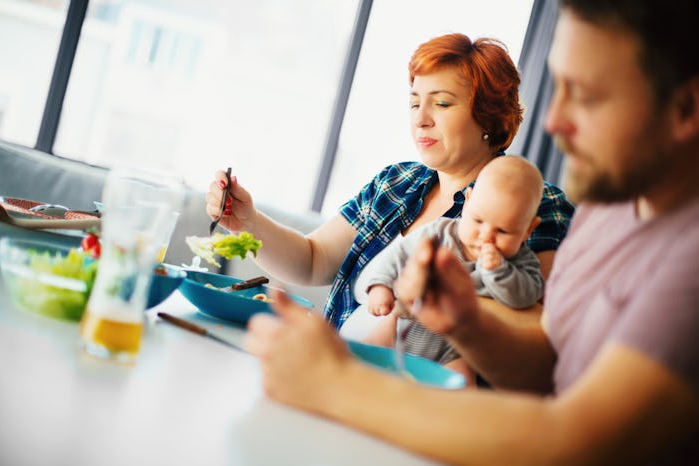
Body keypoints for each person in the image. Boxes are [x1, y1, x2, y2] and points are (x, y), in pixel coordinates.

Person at [244, 1, 699, 464]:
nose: (552, 121)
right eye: (558, 85)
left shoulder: (679, 253)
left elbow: (580, 437)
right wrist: (467, 322)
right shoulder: (609, 212)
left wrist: (333, 381)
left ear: (685, 109)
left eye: (585, 93)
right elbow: (549, 371)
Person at [206, 33, 573, 330]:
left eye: (442, 104)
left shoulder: (537, 203)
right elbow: (312, 260)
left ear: (489, 117)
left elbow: (534, 327)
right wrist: (248, 221)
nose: (421, 119)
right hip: (330, 376)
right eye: (415, 103)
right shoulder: (395, 182)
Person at [356, 155, 544, 383]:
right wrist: (381, 286)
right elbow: (399, 255)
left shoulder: (521, 262)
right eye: (478, 221)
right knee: (356, 364)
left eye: (503, 231)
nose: (486, 237)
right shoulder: (440, 232)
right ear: (467, 202)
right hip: (403, 324)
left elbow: (524, 298)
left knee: (463, 388)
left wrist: (498, 270)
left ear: (528, 230)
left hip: (454, 349)